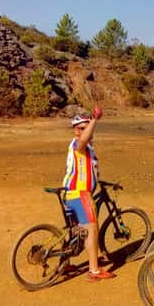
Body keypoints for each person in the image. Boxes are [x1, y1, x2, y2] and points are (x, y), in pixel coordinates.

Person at [63, 109, 115, 282]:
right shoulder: (79, 144)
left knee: (73, 229)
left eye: (87, 127)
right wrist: (94, 120)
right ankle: (94, 270)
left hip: (70, 194)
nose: (86, 131)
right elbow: (83, 141)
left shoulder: (87, 148)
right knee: (92, 229)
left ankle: (64, 264)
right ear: (75, 130)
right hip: (81, 194)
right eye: (81, 128)